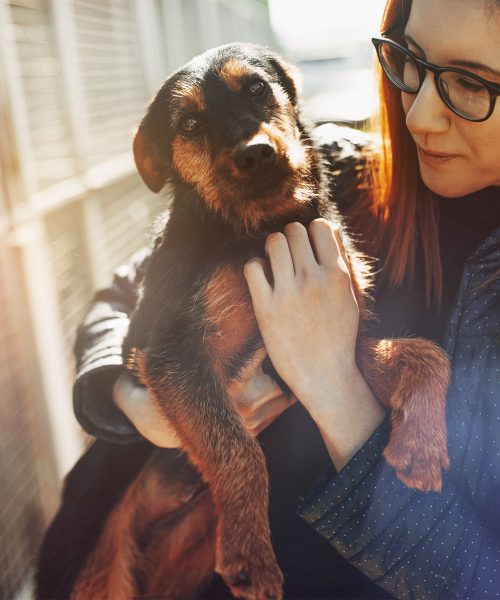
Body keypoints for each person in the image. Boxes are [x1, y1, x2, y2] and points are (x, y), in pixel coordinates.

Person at [38, 0, 500, 598]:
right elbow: (125, 292)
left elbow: (478, 580)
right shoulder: (337, 167)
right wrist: (132, 403)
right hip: (135, 536)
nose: (420, 116)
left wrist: (333, 385)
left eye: (471, 82)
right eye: (409, 61)